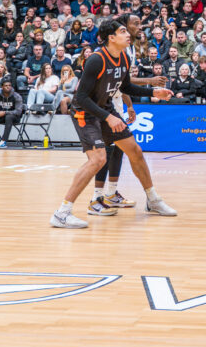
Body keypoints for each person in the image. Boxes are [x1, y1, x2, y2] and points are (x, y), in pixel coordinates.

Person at [50, 19, 176, 228]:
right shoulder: (96, 60)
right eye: (123, 31)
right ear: (111, 38)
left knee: (134, 151)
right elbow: (80, 98)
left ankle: (153, 200)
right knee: (98, 159)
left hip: (105, 108)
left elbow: (125, 86)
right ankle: (62, 213)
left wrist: (154, 92)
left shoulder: (124, 57)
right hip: (85, 113)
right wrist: (108, 117)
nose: (128, 34)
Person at [0, 81, 23, 148]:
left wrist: (5, 112)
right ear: (2, 87)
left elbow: (18, 111)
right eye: (6, 85)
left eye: (9, 85)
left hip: (14, 118)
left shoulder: (16, 96)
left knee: (9, 117)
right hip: (2, 117)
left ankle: (3, 141)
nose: (8, 87)